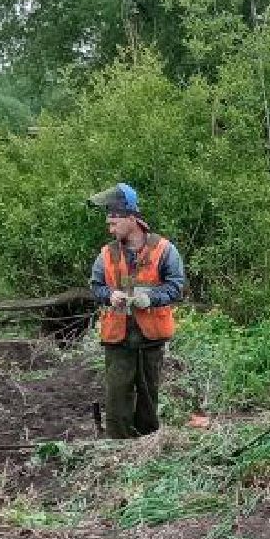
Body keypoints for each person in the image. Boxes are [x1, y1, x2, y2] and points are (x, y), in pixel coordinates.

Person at [90, 184, 186, 438]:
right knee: (117, 399)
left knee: (148, 397)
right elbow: (96, 287)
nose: (110, 229)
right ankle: (117, 448)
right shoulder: (106, 254)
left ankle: (148, 446)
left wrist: (150, 298)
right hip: (118, 338)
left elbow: (176, 286)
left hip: (150, 337)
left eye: (114, 223)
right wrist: (110, 295)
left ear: (131, 219)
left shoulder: (164, 250)